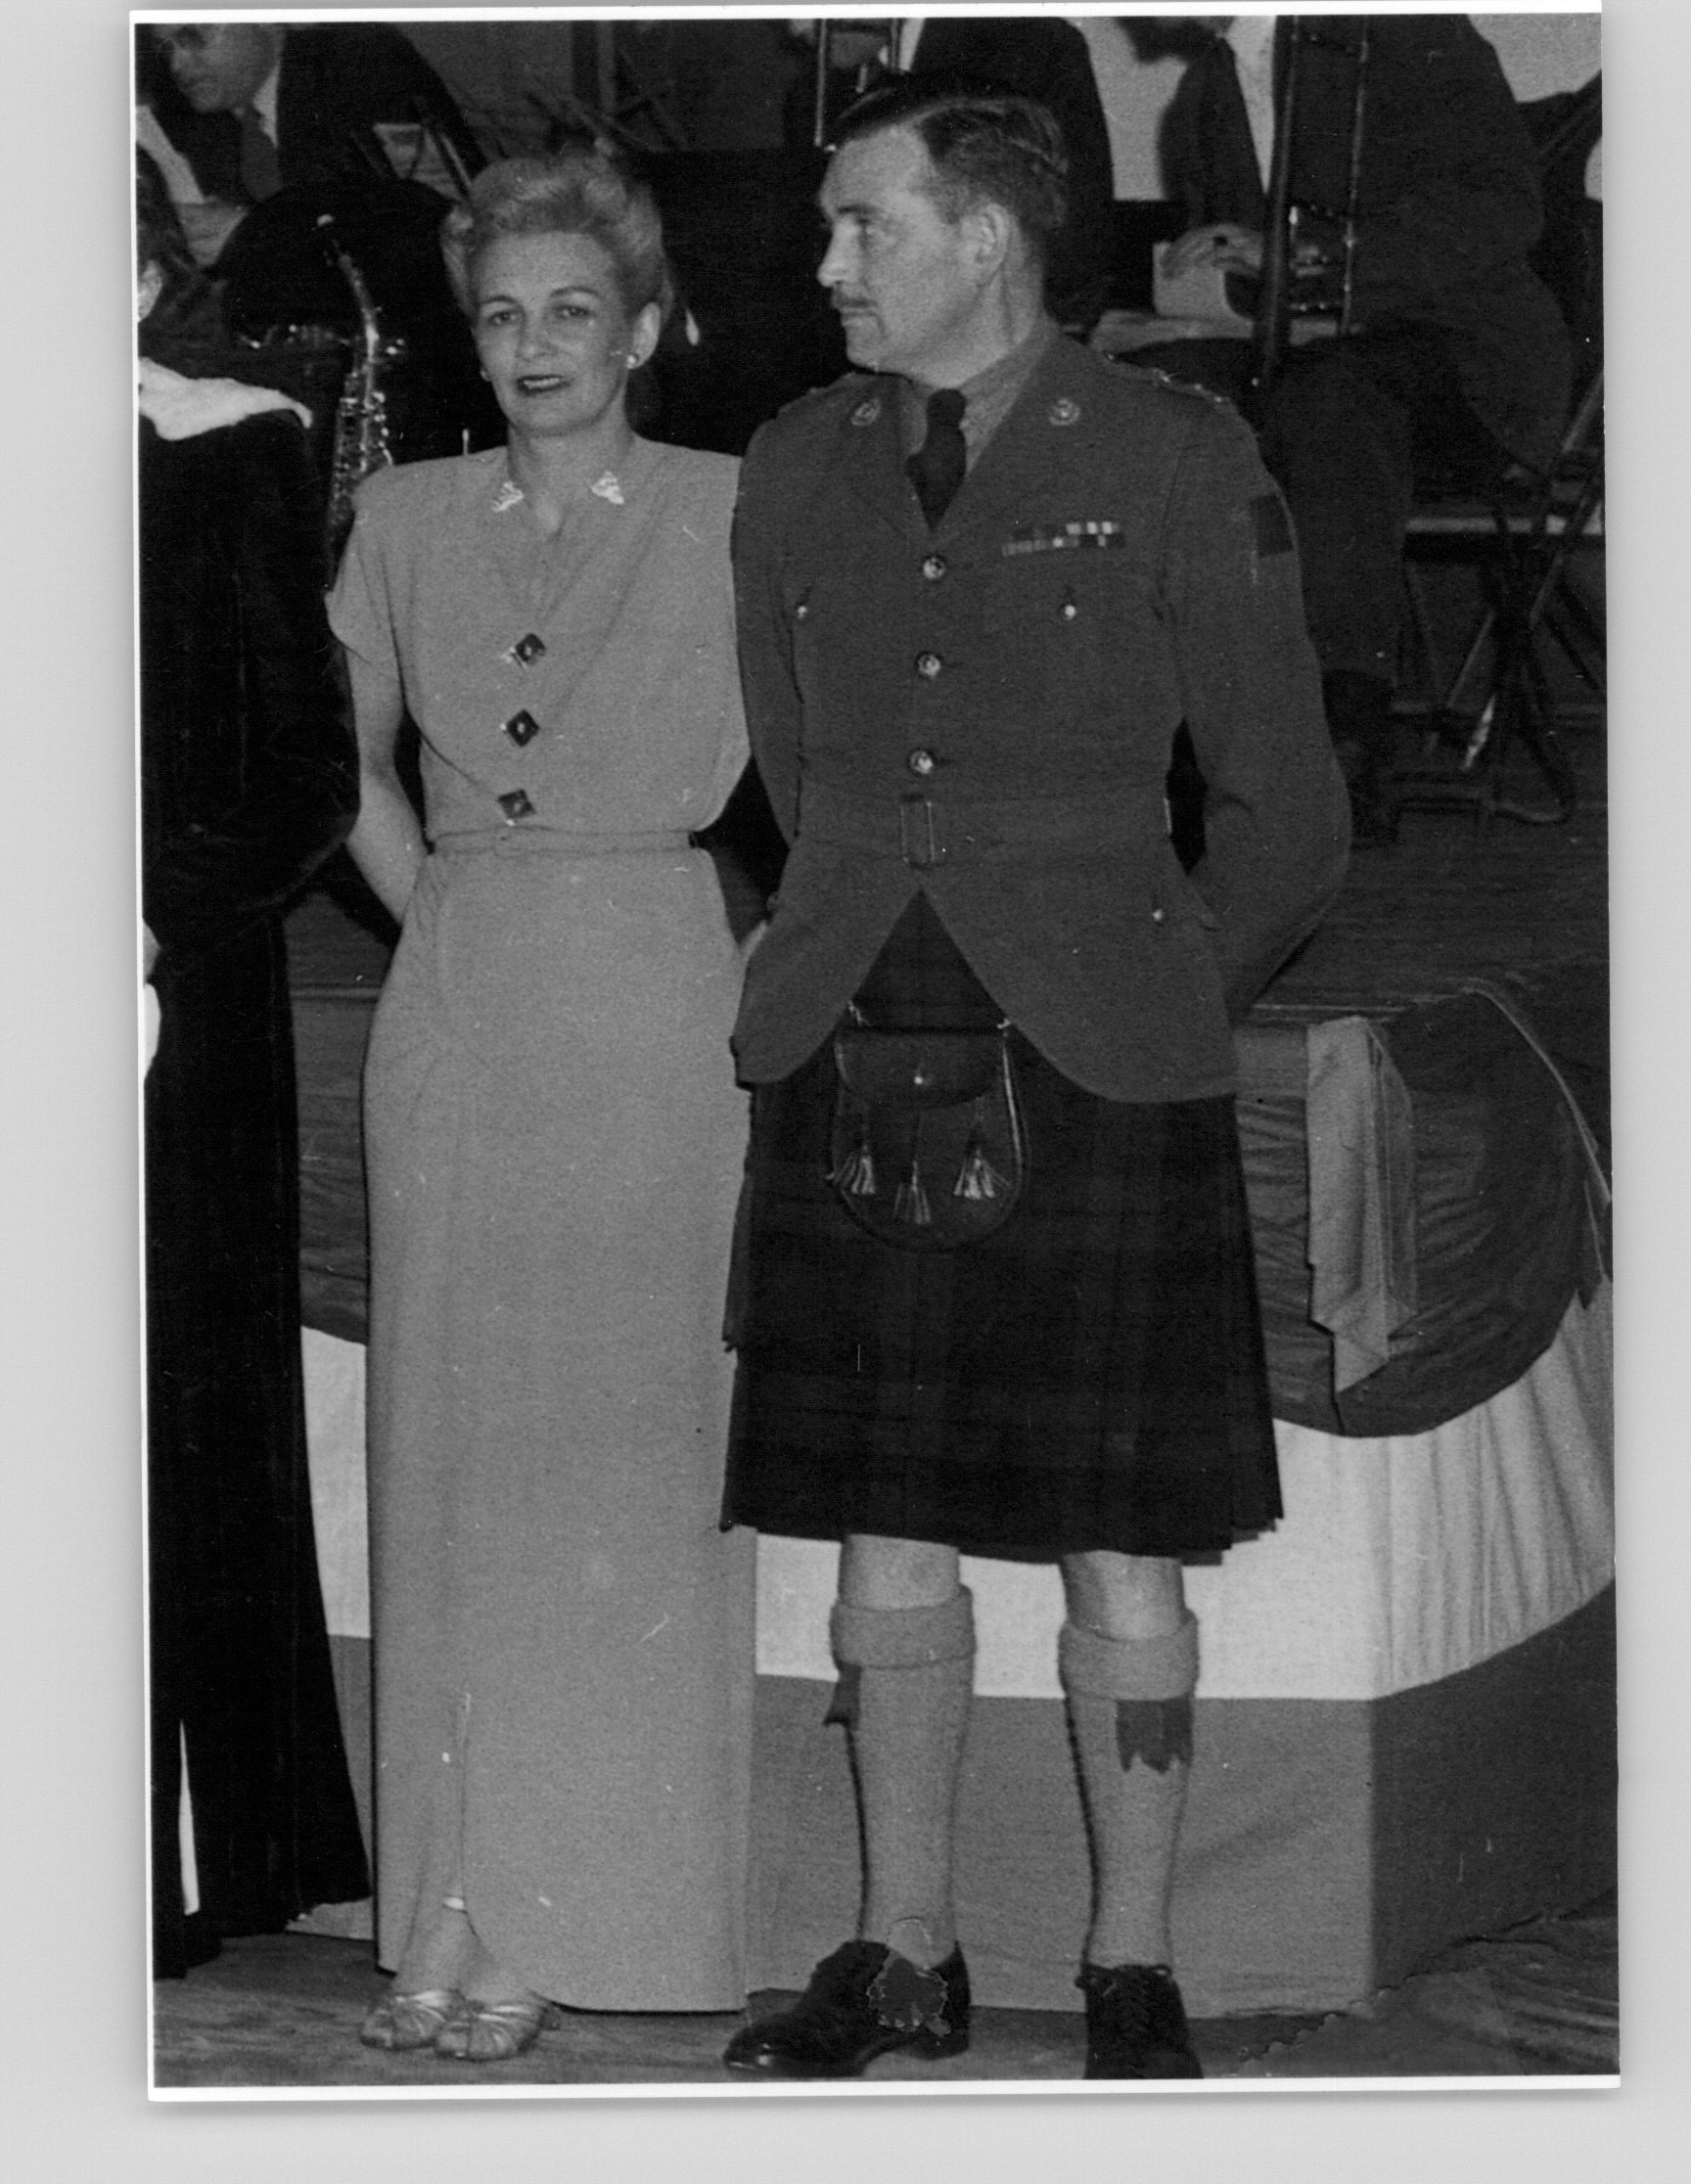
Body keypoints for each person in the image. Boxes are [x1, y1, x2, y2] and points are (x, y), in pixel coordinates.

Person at [718, 79, 1348, 2081]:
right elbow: (788, 760)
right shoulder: (795, 459)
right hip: (854, 1026)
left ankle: (1130, 1961)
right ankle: (900, 1951)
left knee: (1119, 1531)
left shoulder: (1174, 453)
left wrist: (1142, 994)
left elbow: (1286, 815)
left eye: (861, 225)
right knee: (878, 1521)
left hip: (1095, 1054)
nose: (824, 264)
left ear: (985, 237)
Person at [329, 149, 755, 2062]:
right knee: (455, 1467)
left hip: (662, 1006)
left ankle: (595, 1915)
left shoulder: (740, 514)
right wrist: (456, 918)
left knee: (623, 1469)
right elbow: (332, 768)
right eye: (501, 315)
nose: (532, 347)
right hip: (465, 1008)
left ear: (648, 328)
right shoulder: (403, 515)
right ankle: (455, 1909)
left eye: (573, 310)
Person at [139, 173, 369, 1978]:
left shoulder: (224, 454)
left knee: (161, 1428)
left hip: (156, 999)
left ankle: (154, 1866)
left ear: (145, 273)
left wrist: (125, 925)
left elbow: (300, 778)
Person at [1131, 15, 1571, 841]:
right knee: (1169, 397)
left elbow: (1501, 210)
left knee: (1330, 401)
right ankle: (1197, 740)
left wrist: (1304, 257)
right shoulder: (1203, 94)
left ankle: (1345, 752)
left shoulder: (1402, 33)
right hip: (1322, 370)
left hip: (1465, 370)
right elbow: (1256, 281)